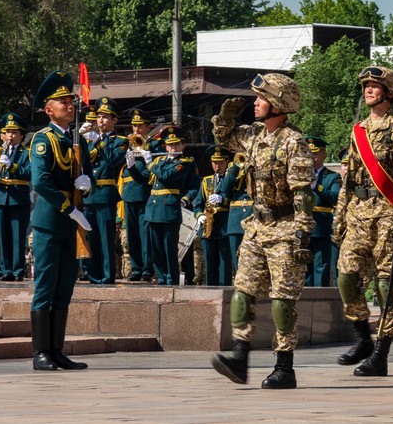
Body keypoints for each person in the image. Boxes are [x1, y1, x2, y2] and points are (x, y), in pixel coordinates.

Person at [210, 73, 316, 389]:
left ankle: (285, 367)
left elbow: (302, 193)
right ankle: (240, 358)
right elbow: (224, 139)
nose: (255, 103)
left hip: (285, 229)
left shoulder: (293, 142)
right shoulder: (255, 135)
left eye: (261, 98)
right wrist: (223, 119)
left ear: (278, 104)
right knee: (242, 293)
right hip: (257, 227)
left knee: (283, 301)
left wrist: (302, 233)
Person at [333, 66, 393, 377]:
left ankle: (381, 353)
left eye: (375, 85)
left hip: (387, 211)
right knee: (347, 278)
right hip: (358, 211)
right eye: (366, 85)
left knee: (386, 285)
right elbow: (349, 179)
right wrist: (340, 216)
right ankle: (362, 338)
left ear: (390, 91)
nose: (368, 90)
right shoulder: (358, 130)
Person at [28, 70, 93, 371]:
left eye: (71, 100)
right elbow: (40, 182)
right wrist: (69, 207)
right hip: (51, 222)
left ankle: (57, 350)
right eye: (63, 101)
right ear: (48, 109)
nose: (70, 105)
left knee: (64, 286)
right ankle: (41, 352)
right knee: (46, 286)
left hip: (72, 224)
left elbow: (86, 174)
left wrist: (87, 184)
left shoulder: (76, 138)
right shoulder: (43, 140)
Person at [126, 126, 197, 286]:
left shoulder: (184, 163)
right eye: (170, 145)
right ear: (165, 146)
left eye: (177, 144)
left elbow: (168, 176)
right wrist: (131, 167)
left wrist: (150, 163)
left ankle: (171, 279)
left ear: (183, 145)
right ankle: (161, 278)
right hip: (153, 209)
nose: (173, 148)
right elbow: (143, 179)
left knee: (169, 248)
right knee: (156, 249)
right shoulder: (159, 161)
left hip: (169, 209)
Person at [81, 97, 127, 284]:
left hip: (106, 193)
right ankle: (92, 275)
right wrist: (78, 139)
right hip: (88, 195)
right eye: (99, 116)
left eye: (106, 117)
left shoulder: (120, 141)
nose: (100, 120)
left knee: (106, 239)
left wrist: (99, 141)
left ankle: (107, 276)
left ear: (114, 121)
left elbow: (113, 160)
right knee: (90, 238)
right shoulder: (88, 140)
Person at [0, 112, 31, 281]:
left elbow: (31, 173)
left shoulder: (28, 153)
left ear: (21, 135)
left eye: (15, 132)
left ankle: (17, 271)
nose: (11, 135)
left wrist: (13, 166)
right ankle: (2, 269)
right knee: (0, 236)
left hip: (18, 198)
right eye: (8, 132)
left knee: (17, 236)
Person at [120, 110, 160, 281]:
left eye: (140, 126)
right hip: (129, 193)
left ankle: (146, 269)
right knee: (132, 235)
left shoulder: (154, 145)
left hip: (144, 193)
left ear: (147, 127)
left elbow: (150, 172)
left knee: (146, 235)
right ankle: (136, 268)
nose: (136, 129)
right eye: (134, 125)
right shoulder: (127, 144)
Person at [303, 136, 341, 287]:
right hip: (304, 226)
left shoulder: (332, 176)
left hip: (321, 226)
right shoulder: (299, 175)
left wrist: (317, 187)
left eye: (316, 153)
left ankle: (321, 304)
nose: (312, 157)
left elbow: (335, 196)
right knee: (304, 268)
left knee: (321, 267)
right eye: (309, 154)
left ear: (324, 155)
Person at [193, 145, 234, 286]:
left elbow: (238, 201)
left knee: (224, 264)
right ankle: (210, 291)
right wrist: (199, 216)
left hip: (224, 226)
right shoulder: (206, 181)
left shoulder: (232, 179)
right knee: (209, 263)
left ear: (227, 162)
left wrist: (223, 200)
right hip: (208, 227)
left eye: (221, 162)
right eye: (215, 162)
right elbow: (198, 204)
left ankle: (225, 291)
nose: (218, 166)